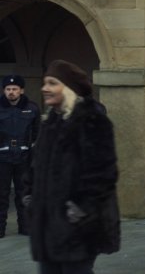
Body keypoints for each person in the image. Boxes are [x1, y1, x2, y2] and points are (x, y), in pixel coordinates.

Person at [24, 60, 120, 273]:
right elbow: (37, 165)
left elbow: (104, 174)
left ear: (69, 88)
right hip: (48, 227)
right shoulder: (51, 123)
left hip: (77, 228)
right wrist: (30, 195)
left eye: (52, 83)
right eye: (44, 83)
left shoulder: (92, 121)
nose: (44, 88)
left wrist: (81, 209)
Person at [0, 75, 39, 238]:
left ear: (21, 90)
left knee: (24, 193)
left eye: (15, 89)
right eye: (8, 89)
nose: (11, 92)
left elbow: (38, 132)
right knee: (1, 194)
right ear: (4, 91)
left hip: (24, 157)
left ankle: (25, 226)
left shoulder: (32, 108)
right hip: (2, 157)